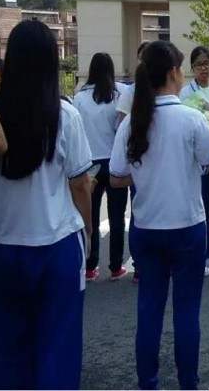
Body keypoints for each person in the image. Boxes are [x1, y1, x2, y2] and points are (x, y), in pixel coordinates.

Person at [110, 40, 209, 390]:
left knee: (149, 313)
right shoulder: (191, 118)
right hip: (188, 227)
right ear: (174, 72)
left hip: (146, 228)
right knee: (187, 313)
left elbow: (115, 177)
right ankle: (188, 383)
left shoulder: (133, 123)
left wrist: (144, 173)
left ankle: (149, 384)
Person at [0, 20, 93, 389]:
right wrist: (88, 233)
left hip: (4, 245)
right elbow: (81, 184)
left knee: (7, 351)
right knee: (58, 350)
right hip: (56, 247)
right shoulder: (64, 115)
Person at [74, 52, 130, 281]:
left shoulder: (80, 97)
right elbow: (123, 127)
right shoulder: (120, 93)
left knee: (91, 216)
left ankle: (89, 266)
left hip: (90, 164)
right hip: (115, 161)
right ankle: (116, 266)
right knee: (117, 216)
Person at [179, 46, 209, 277]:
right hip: (194, 164)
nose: (204, 68)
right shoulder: (186, 93)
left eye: (207, 63)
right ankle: (197, 256)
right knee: (197, 212)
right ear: (192, 68)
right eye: (199, 64)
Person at [118, 40, 149, 283]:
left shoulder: (167, 93)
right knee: (139, 213)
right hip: (139, 163)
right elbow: (122, 124)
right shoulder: (130, 92)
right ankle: (139, 264)